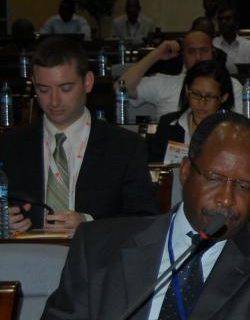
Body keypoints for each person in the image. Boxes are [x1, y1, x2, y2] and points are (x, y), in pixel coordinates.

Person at [26, 112, 250, 320]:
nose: (226, 199)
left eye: (243, 186)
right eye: (214, 178)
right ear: (186, 171)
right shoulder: (99, 245)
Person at [0, 37, 156, 236]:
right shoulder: (10, 145)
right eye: (43, 90)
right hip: (28, 252)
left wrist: (90, 226)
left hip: (97, 253)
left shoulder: (125, 146)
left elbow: (144, 221)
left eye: (65, 88)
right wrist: (3, 222)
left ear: (87, 82)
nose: (54, 101)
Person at [120, 30, 242, 118]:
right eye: (191, 52)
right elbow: (121, 88)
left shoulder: (231, 85)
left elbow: (241, 126)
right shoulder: (163, 83)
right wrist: (156, 54)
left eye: (204, 50)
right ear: (183, 56)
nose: (198, 57)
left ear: (213, 53)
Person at [148, 60, 235, 162]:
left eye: (210, 96)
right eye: (196, 94)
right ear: (186, 91)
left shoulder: (234, 130)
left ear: (224, 97)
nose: (202, 103)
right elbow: (154, 165)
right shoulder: (167, 124)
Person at [213, 7, 250, 74]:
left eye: (228, 19)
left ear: (236, 22)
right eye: (220, 19)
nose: (223, 22)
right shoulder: (213, 44)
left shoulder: (249, 46)